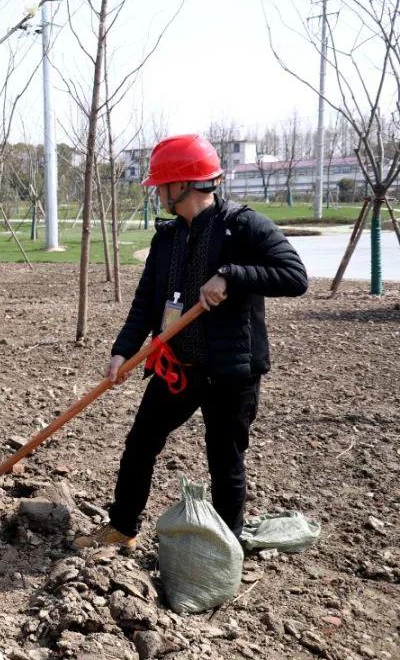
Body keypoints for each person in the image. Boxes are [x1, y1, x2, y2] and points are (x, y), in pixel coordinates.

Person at [74, 134, 308, 551]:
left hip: (230, 372)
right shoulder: (167, 237)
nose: (157, 193)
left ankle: (227, 549)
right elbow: (146, 302)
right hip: (178, 368)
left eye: (161, 184)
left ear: (181, 184)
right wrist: (122, 351)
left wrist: (232, 275)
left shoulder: (244, 226)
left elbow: (295, 277)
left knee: (225, 462)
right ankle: (122, 528)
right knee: (140, 444)